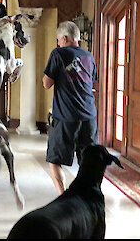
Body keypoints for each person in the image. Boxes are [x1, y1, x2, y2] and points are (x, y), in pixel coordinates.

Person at [43, 21, 99, 195]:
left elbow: (47, 83)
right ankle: (87, 195)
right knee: (88, 161)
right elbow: (90, 82)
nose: (58, 43)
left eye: (58, 40)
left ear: (64, 38)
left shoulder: (58, 53)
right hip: (89, 117)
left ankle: (63, 196)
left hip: (66, 117)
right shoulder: (88, 56)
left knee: (54, 159)